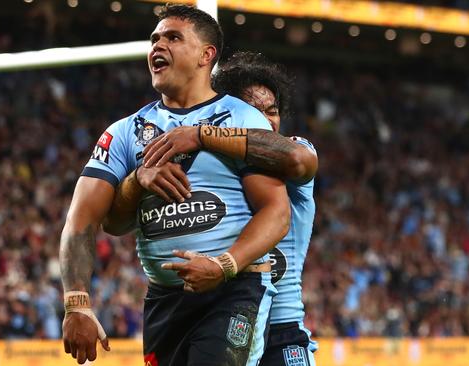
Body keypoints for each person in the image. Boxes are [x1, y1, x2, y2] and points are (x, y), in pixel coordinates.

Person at [59, 5, 290, 366]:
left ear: (206, 55)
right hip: (164, 302)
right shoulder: (123, 133)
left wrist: (223, 265)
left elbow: (277, 212)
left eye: (172, 37)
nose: (157, 46)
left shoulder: (243, 118)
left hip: (233, 291)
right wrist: (77, 303)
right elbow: (89, 222)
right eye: (154, 39)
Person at [126, 52, 319, 365]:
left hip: (281, 330)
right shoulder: (209, 168)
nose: (266, 122)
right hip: (217, 316)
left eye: (272, 111)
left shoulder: (290, 150)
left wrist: (202, 134)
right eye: (253, 112)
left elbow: (300, 159)